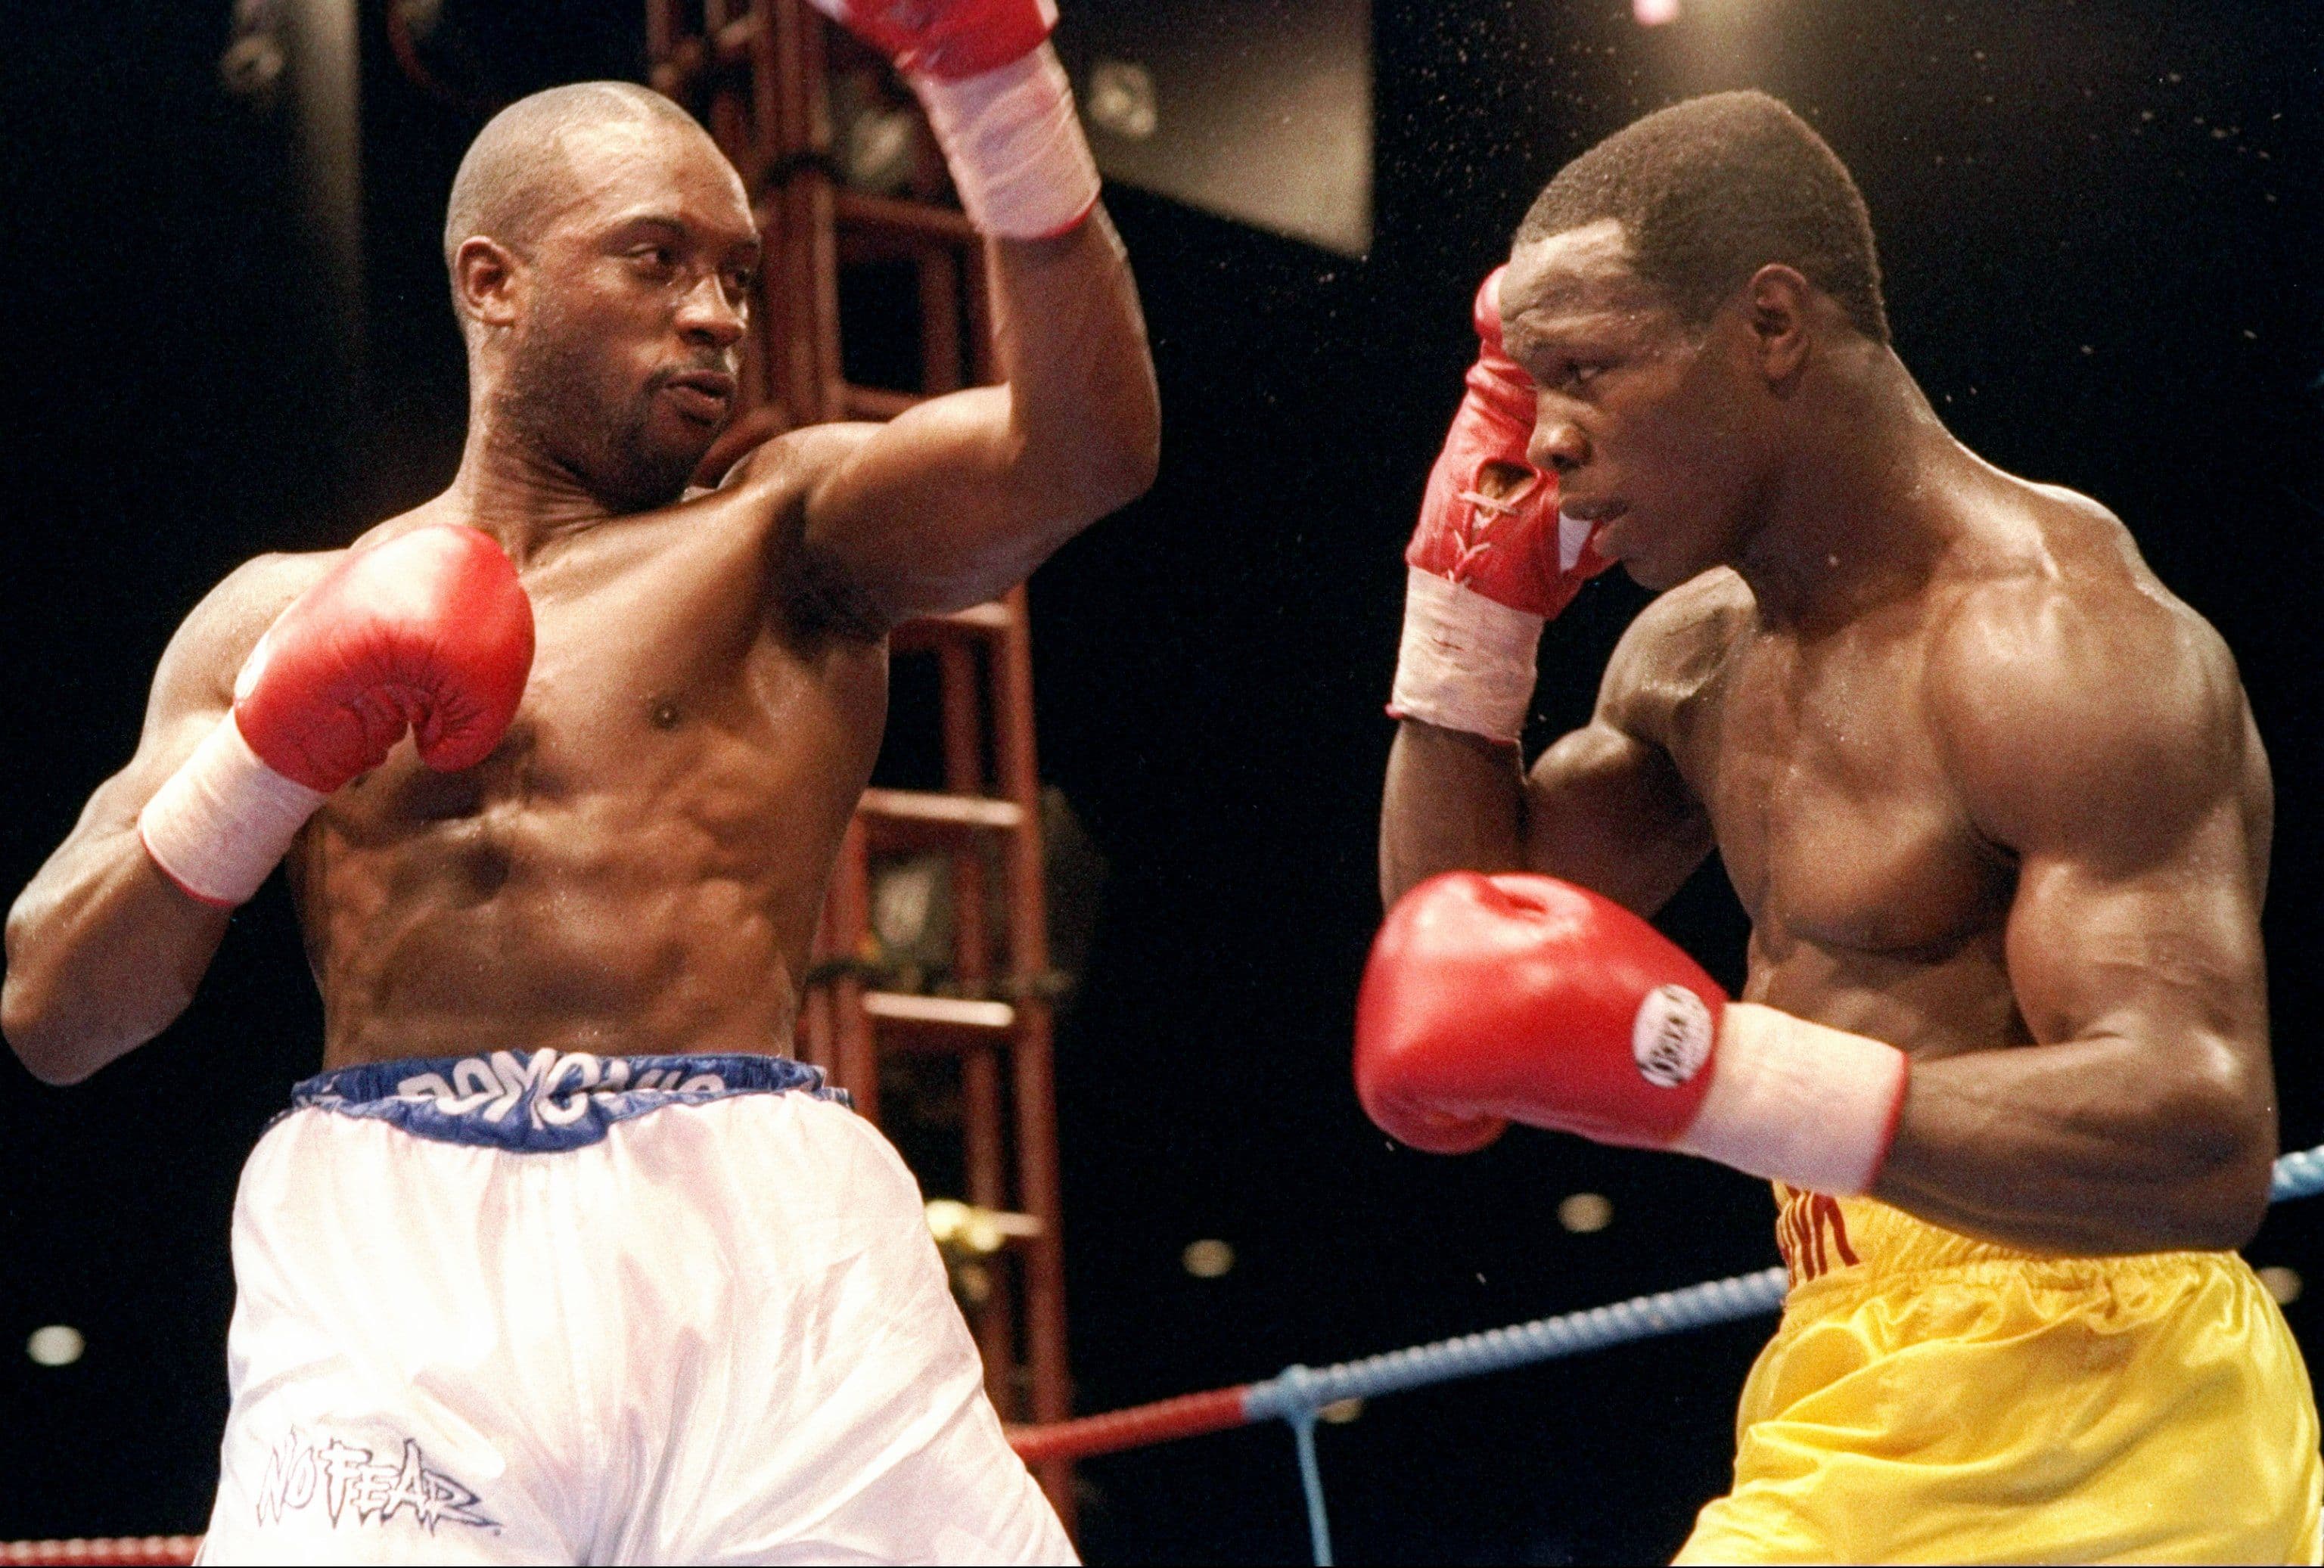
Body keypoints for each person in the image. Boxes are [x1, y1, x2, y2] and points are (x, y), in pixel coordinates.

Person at [2, 0, 1157, 1558]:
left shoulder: (785, 533)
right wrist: (265, 761)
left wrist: (994, 84)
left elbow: (1081, 450)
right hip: (391, 1262)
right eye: (657, 259)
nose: (717, 315)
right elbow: (56, 1015)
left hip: (758, 1248)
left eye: (739, 276)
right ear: (496, 281)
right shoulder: (274, 614)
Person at [1358, 91, 2319, 1563]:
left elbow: (2200, 1139)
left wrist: (1720, 1073)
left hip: (2110, 1414)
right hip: (1842, 1375)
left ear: (1773, 327)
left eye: (1590, 371)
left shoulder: (2049, 645)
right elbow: (1455, 954)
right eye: (1524, 387)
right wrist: (1462, 620)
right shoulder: (1691, 663)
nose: (1542, 443)